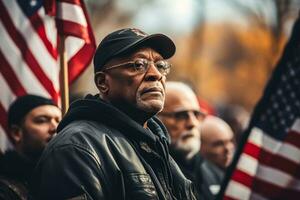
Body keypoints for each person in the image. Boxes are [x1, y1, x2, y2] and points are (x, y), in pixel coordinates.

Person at [31, 28, 196, 200]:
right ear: (103, 82)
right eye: (138, 65)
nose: (155, 75)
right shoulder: (77, 147)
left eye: (161, 65)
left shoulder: (156, 144)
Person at [159, 82, 222, 200]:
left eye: (197, 114)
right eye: (181, 115)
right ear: (156, 119)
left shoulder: (215, 175)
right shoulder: (148, 175)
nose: (192, 123)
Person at [0, 94, 61, 200]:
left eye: (59, 121)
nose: (55, 128)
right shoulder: (4, 188)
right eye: (42, 120)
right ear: (16, 133)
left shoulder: (69, 176)